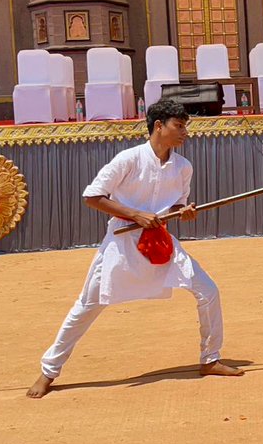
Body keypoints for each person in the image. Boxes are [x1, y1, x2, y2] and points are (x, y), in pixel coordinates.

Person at [27, 100, 243, 398]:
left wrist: (183, 211)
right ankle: (48, 371)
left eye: (185, 127)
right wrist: (135, 214)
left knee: (208, 290)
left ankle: (210, 359)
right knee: (87, 305)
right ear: (159, 126)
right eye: (179, 126)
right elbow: (92, 196)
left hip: (160, 240)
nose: (185, 133)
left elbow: (175, 205)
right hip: (122, 242)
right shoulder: (128, 159)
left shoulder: (183, 167)